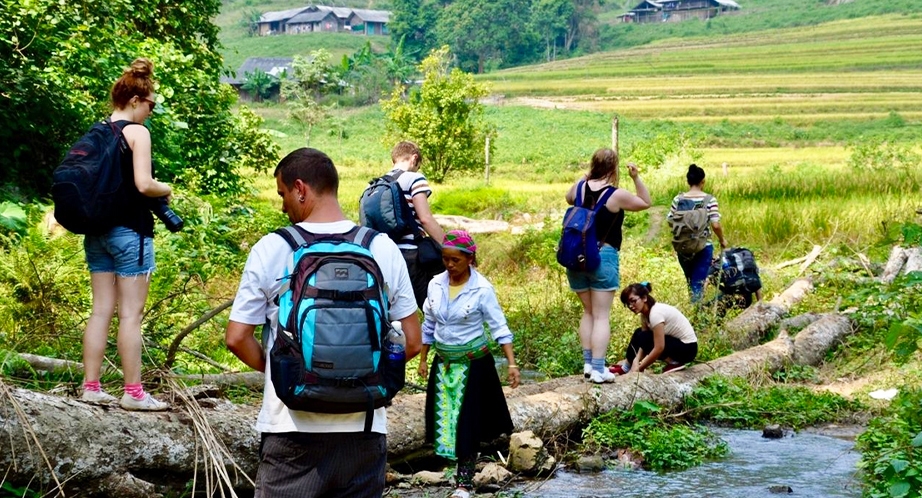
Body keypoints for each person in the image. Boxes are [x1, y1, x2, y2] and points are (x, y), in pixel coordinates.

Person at [225, 148, 421, 498]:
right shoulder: (382, 247)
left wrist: (288, 371)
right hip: (364, 433)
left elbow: (238, 337)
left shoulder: (273, 248)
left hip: (290, 430)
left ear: (300, 189)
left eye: (283, 194)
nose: (283, 205)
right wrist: (366, 373)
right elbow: (412, 341)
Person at [79, 58, 171, 411]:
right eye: (151, 104)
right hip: (130, 233)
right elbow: (144, 184)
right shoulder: (137, 132)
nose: (151, 111)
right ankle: (134, 393)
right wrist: (168, 188)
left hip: (97, 232)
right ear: (135, 100)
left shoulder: (98, 131)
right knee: (131, 314)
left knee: (100, 309)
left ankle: (91, 386)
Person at [417, 230, 520, 498]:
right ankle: (453, 473)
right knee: (444, 420)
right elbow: (429, 324)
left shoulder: (482, 289)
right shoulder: (435, 285)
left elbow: (499, 327)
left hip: (474, 365)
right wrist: (424, 359)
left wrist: (511, 364)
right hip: (444, 364)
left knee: (467, 424)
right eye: (445, 259)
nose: (450, 266)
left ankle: (464, 484)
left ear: (470, 259)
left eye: (456, 260)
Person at [564, 148, 651, 384]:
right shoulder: (615, 195)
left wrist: (584, 177)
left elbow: (568, 197)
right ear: (614, 168)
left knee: (588, 312)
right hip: (603, 257)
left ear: (593, 165)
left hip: (575, 258)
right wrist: (635, 177)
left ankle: (587, 363)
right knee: (602, 315)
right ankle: (599, 369)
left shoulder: (580, 188)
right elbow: (646, 202)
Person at [387, 141, 446, 308]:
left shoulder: (377, 184)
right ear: (414, 158)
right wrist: (448, 246)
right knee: (432, 308)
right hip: (410, 254)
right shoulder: (414, 178)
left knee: (395, 309)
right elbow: (425, 218)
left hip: (386, 254)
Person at [668, 164, 727, 303]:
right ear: (703, 181)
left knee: (690, 280)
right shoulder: (709, 200)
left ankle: (693, 310)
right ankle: (696, 316)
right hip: (703, 246)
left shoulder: (678, 199)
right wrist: (722, 239)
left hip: (682, 246)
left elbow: (670, 219)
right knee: (698, 282)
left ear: (688, 181)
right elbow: (716, 224)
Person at [611, 282, 698, 375]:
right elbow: (643, 341)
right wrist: (636, 360)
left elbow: (659, 348)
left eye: (633, 301)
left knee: (647, 337)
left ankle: (674, 362)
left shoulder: (655, 314)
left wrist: (640, 368)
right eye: (628, 304)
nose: (631, 306)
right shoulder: (645, 314)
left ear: (644, 298)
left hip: (687, 349)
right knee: (639, 333)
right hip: (676, 343)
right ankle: (626, 367)